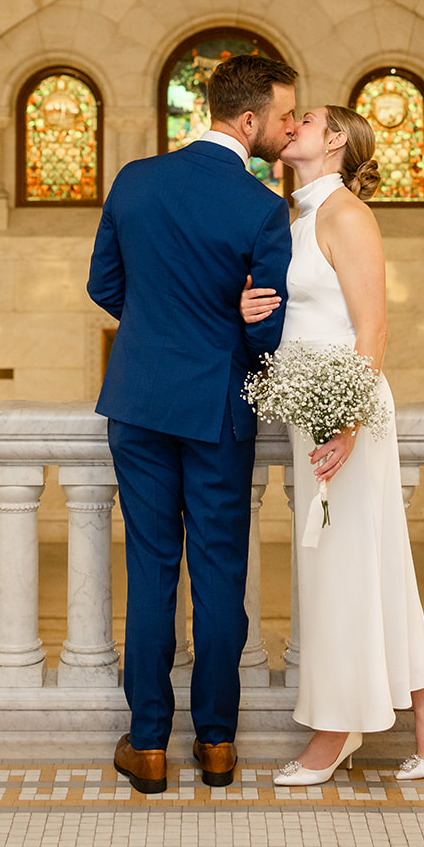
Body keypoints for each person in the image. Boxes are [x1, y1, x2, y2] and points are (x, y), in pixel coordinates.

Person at [87, 54, 297, 795]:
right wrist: (223, 336)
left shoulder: (134, 180)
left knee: (149, 574)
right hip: (215, 407)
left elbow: (102, 284)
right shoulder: (261, 207)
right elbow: (265, 335)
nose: (288, 128)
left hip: (137, 402)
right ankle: (215, 745)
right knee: (217, 579)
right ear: (248, 121)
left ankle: (147, 746)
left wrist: (154, 334)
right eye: (282, 116)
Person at [241, 105, 424, 785]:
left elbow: (371, 329)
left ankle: (336, 730)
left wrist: (345, 423)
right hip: (315, 405)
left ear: (334, 139)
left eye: (303, 119)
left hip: (347, 411)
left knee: (343, 570)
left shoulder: (345, 214)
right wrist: (251, 309)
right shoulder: (299, 216)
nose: (288, 126)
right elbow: (306, 311)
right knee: (363, 566)